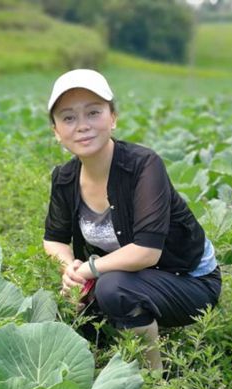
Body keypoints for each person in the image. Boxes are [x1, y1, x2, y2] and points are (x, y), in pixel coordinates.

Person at [43, 69, 221, 370]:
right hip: (131, 276)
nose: (82, 126)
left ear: (113, 118)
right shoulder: (64, 178)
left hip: (191, 281)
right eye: (69, 118)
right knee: (68, 306)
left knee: (113, 288)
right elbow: (55, 239)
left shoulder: (143, 165)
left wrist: (89, 269)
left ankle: (153, 376)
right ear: (57, 131)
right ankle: (113, 349)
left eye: (94, 112)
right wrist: (70, 271)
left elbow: (146, 251)